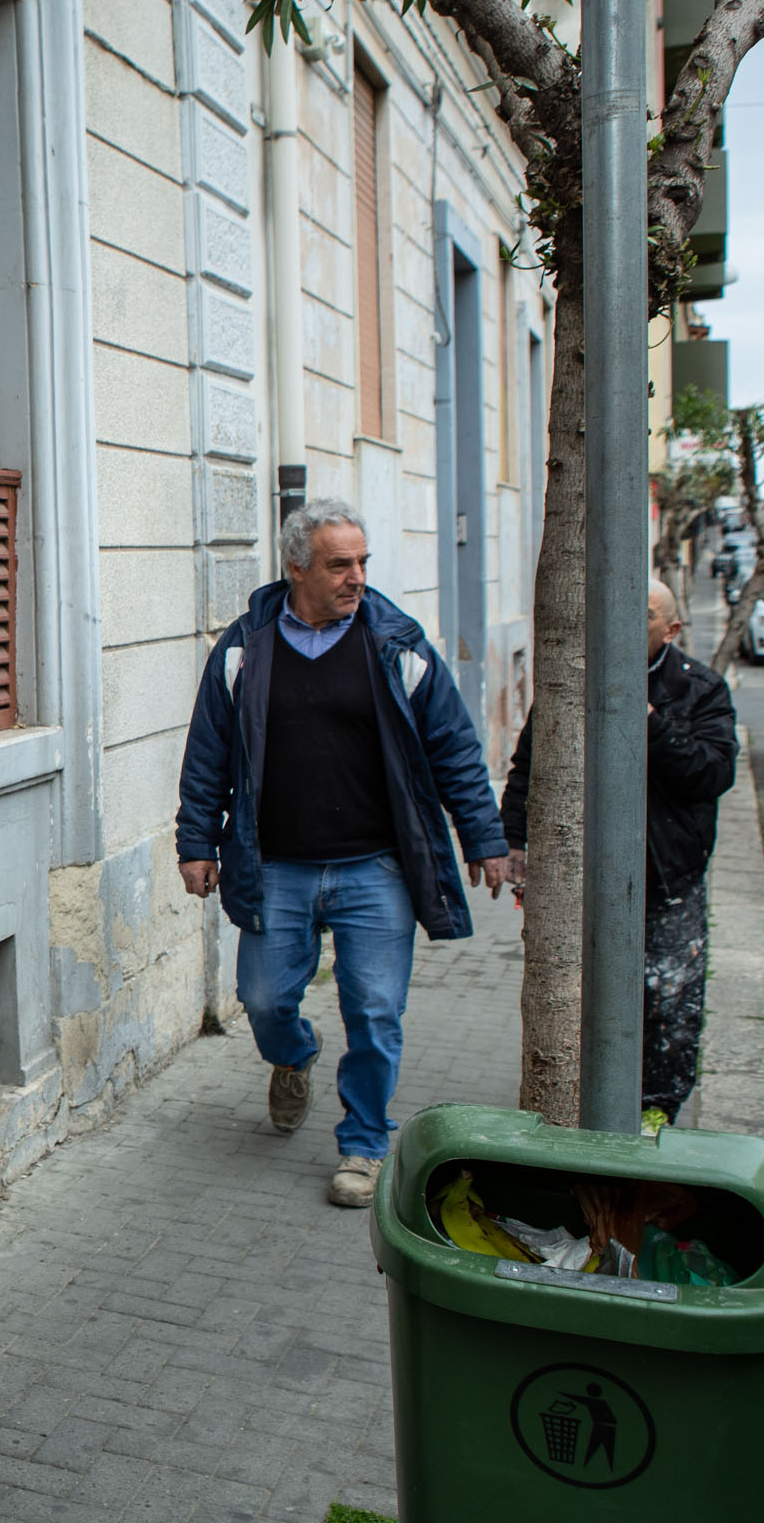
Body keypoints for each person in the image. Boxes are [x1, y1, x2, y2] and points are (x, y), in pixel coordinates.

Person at [176, 499, 515, 1208]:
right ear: (296, 567)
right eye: (340, 565)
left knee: (376, 1010)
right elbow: (208, 751)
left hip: (375, 869)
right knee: (264, 1000)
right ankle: (293, 1055)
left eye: (363, 563)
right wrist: (196, 841)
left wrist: (483, 837)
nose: (357, 577)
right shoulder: (245, 649)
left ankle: (363, 1142)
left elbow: (453, 747)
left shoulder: (397, 644)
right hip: (276, 866)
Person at [501, 578, 737, 1125]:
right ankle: (582, 1105)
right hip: (583, 877)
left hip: (668, 880)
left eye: (644, 615)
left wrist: (649, 720)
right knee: (584, 997)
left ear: (671, 629)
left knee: (669, 1004)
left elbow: (711, 773)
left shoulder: (700, 689)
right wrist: (513, 841)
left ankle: (656, 1115)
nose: (624, 625)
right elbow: (530, 764)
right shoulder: (573, 679)